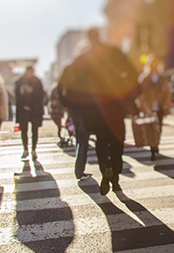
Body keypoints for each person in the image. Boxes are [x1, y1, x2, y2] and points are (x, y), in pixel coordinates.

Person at [68, 28, 139, 195]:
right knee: (116, 143)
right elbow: (133, 73)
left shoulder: (83, 58)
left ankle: (106, 170)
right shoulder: (114, 52)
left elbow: (71, 84)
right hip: (115, 105)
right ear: (99, 36)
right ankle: (115, 181)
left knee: (101, 142)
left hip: (94, 109)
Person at [58, 41, 93, 182]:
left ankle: (79, 170)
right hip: (86, 105)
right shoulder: (89, 67)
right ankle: (79, 171)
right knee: (84, 136)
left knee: (81, 136)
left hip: (74, 106)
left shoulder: (69, 67)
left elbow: (60, 87)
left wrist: (66, 103)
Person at [137, 57, 172, 160]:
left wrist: (167, 102)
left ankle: (156, 142)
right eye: (153, 64)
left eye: (156, 64)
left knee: (159, 126)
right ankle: (153, 147)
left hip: (160, 105)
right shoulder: (144, 77)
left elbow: (167, 91)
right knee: (150, 127)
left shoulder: (162, 77)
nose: (154, 66)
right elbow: (140, 91)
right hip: (149, 106)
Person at [15, 66, 44, 161]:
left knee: (34, 130)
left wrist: (32, 91)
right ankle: (25, 149)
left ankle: (33, 150)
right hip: (23, 110)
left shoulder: (37, 81)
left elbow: (41, 95)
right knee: (24, 130)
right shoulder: (19, 82)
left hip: (35, 110)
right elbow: (17, 97)